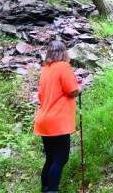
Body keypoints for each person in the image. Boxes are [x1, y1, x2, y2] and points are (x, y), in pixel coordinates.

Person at [34, 40, 81, 193]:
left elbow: (41, 95)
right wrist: (79, 88)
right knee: (61, 158)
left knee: (51, 158)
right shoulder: (63, 66)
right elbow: (72, 90)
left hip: (43, 120)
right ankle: (52, 190)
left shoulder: (45, 69)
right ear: (63, 52)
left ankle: (45, 188)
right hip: (58, 122)